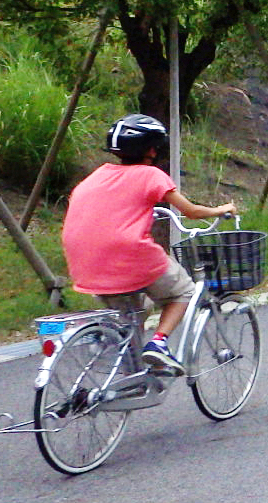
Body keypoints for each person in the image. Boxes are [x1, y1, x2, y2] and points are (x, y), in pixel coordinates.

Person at [62, 114, 236, 376]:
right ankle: (158, 343)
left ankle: (127, 377)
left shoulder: (95, 177)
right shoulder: (151, 175)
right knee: (185, 292)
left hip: (84, 262)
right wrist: (222, 209)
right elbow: (191, 212)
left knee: (133, 316)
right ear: (152, 149)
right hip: (129, 256)